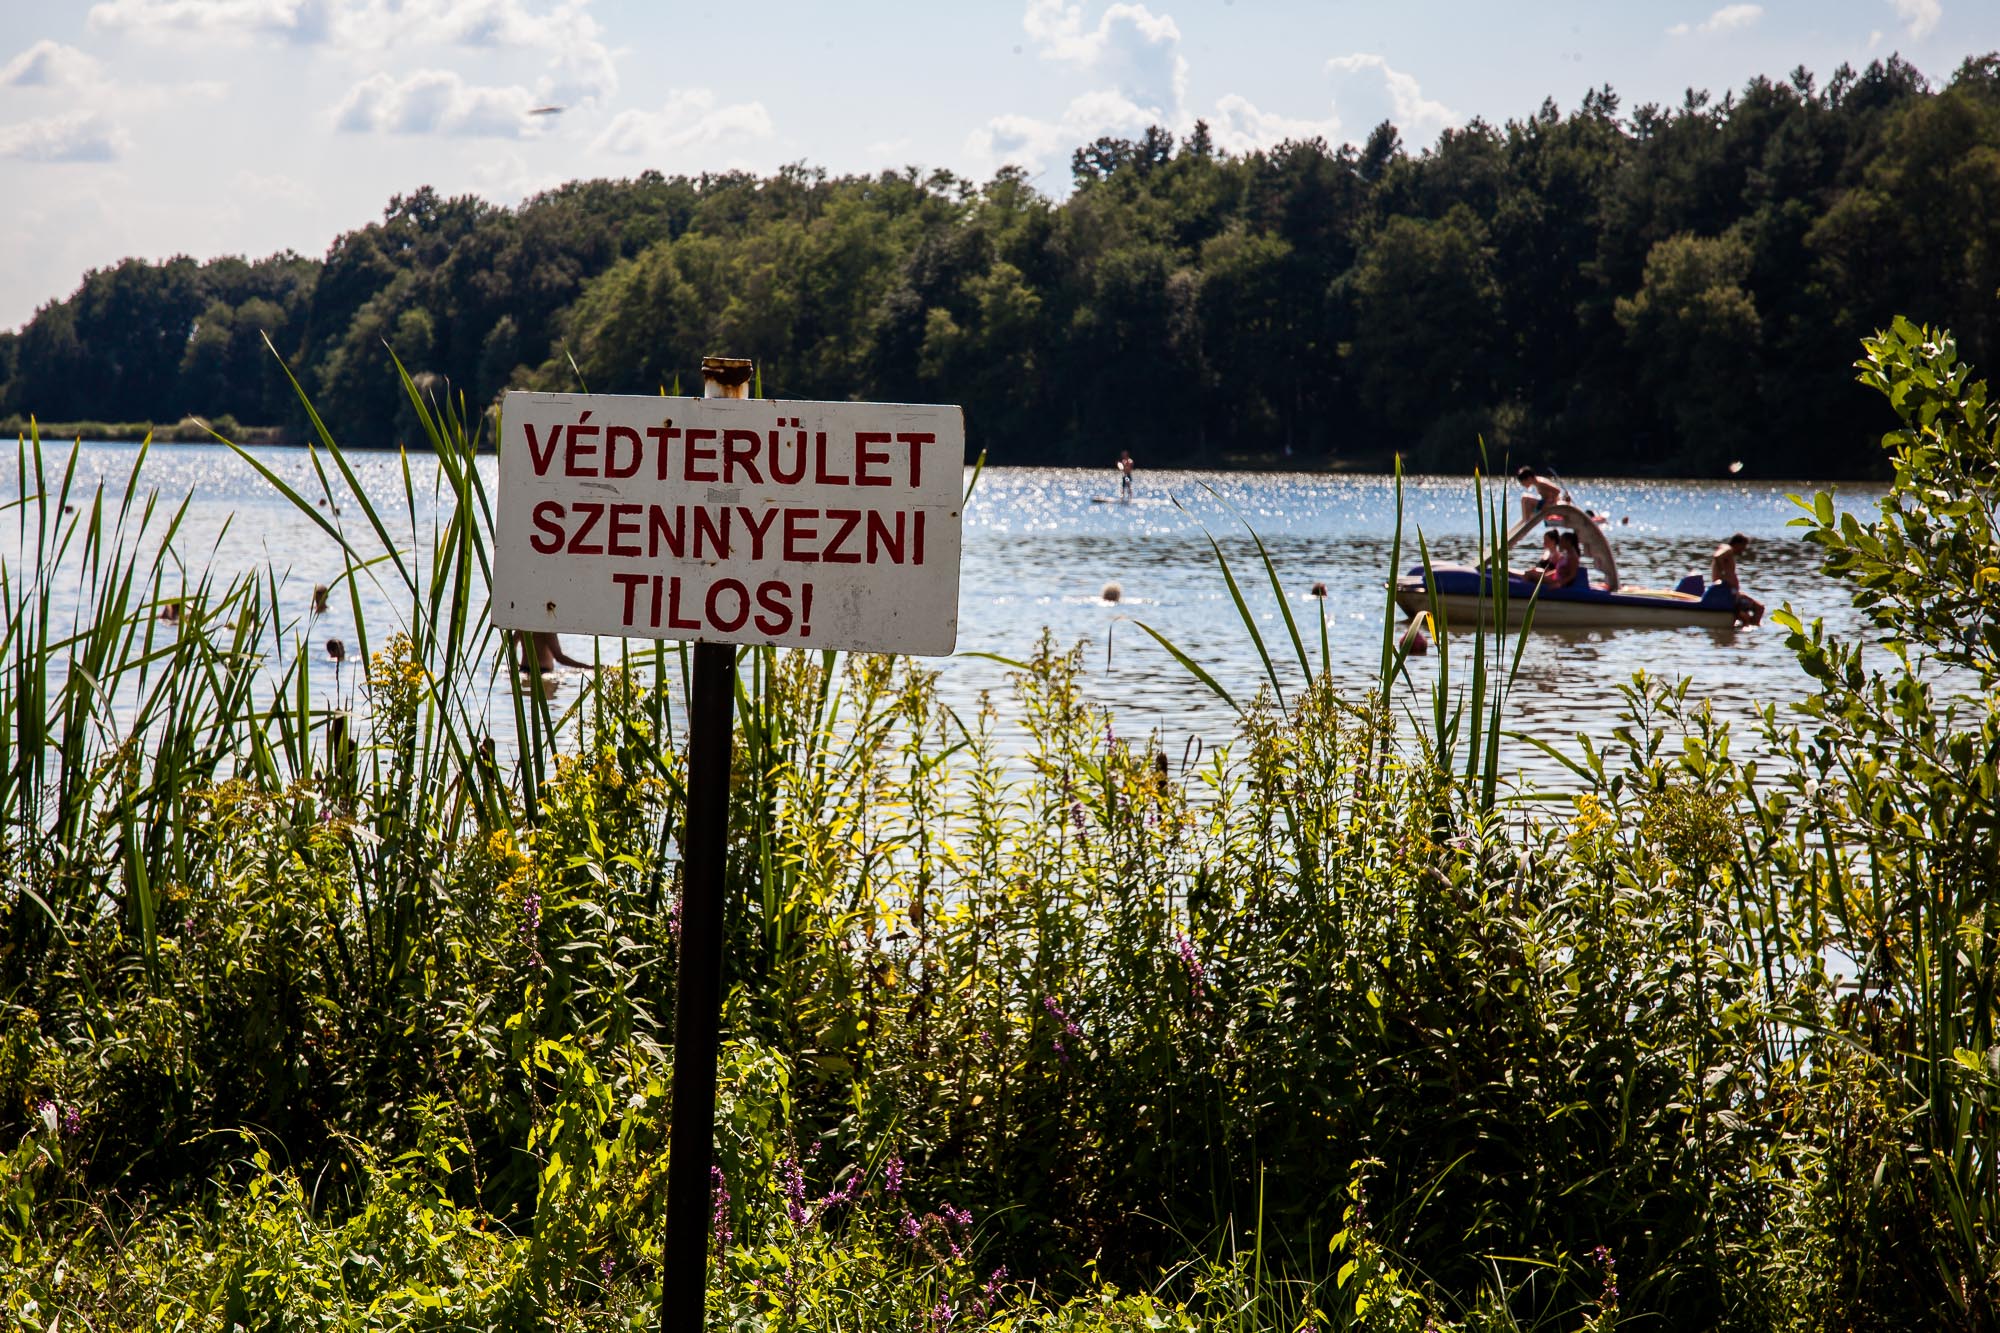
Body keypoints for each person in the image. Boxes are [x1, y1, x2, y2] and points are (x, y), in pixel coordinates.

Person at [1711, 533, 1764, 627]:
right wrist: (1724, 576)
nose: (1744, 549)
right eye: (1744, 546)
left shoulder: (1728, 552)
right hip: (1728, 592)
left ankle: (1747, 628)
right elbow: (1717, 556)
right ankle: (1752, 630)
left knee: (1746, 617)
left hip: (1732, 592)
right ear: (1738, 543)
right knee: (1759, 608)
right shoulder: (1728, 548)